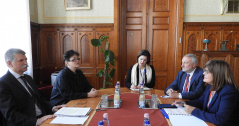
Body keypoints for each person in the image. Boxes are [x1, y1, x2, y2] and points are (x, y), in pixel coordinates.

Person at [0, 48, 65, 126]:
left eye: (26, 59)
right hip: (28, 122)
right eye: (21, 60)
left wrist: (52, 108)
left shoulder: (28, 78)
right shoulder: (3, 83)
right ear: (9, 63)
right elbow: (11, 114)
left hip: (43, 117)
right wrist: (36, 121)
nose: (26, 63)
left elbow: (39, 99)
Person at [173, 60, 239, 125]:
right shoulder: (209, 86)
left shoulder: (229, 91)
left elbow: (220, 119)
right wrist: (184, 103)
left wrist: (194, 111)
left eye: (207, 71)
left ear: (217, 73)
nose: (203, 73)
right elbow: (201, 101)